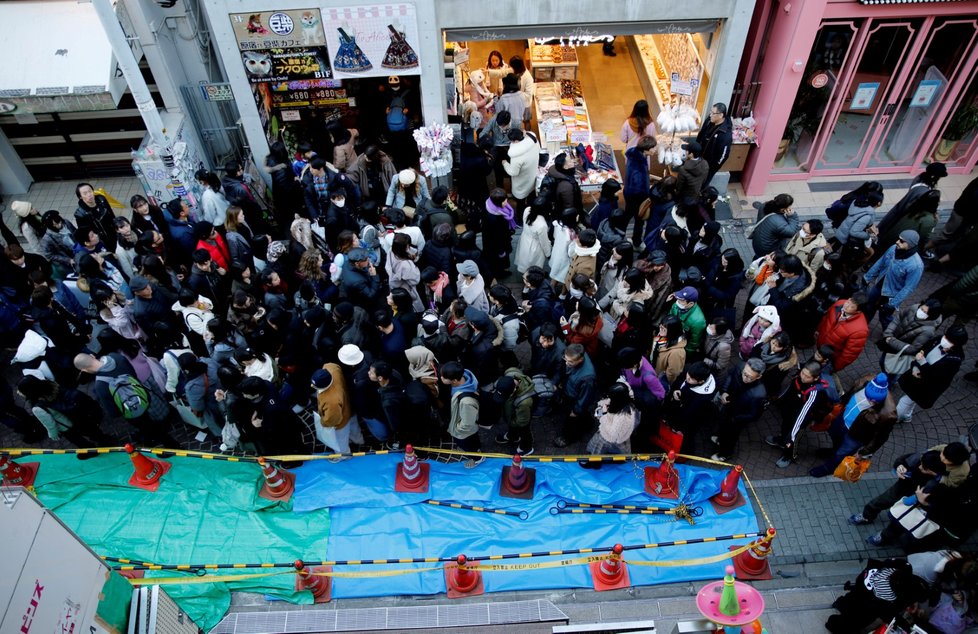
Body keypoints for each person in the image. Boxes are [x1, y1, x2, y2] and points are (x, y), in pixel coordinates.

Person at [74, 351, 178, 448]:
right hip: (142, 394)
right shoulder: (116, 357)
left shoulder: (100, 384)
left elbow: (113, 411)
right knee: (150, 422)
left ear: (84, 370)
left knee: (148, 426)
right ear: (92, 356)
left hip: (130, 409)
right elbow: (133, 374)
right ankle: (151, 436)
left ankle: (171, 445)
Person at [809, 373, 896, 478]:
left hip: (855, 435)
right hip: (842, 419)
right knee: (835, 439)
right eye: (870, 398)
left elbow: (880, 437)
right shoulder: (864, 381)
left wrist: (864, 453)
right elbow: (849, 394)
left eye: (875, 401)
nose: (871, 402)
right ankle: (833, 451)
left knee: (842, 452)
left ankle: (829, 468)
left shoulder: (888, 415)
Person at [16, 375, 115, 449]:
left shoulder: (37, 407)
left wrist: (53, 435)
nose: (19, 393)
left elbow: (49, 423)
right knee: (92, 431)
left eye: (21, 391)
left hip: (66, 424)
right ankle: (106, 441)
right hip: (78, 414)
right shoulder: (49, 384)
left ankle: (91, 450)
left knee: (77, 439)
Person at [765, 360, 831, 468]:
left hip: (803, 418)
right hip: (792, 410)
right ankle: (782, 441)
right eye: (803, 373)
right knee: (785, 427)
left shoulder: (814, 392)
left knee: (794, 439)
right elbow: (788, 391)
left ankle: (790, 456)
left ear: (815, 378)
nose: (803, 377)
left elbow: (803, 415)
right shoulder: (799, 378)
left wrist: (792, 436)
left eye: (807, 376)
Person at [896, 325, 967, 424]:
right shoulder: (937, 340)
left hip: (926, 386)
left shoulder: (954, 361)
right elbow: (922, 351)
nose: (945, 340)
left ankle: (896, 418)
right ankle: (907, 416)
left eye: (949, 340)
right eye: (946, 337)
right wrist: (915, 366)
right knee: (911, 400)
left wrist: (922, 362)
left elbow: (937, 377)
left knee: (905, 401)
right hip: (915, 378)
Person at [862, 229, 924, 327]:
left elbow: (909, 288)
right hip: (879, 286)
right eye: (898, 239)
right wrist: (867, 277)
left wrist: (893, 304)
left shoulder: (916, 265)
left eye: (902, 241)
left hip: (891, 295)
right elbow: (881, 262)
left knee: (885, 317)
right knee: (868, 307)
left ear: (910, 244)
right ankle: (862, 327)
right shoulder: (893, 248)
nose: (897, 242)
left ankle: (888, 336)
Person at [710, 358, 766, 461]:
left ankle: (725, 454)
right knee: (722, 425)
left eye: (750, 377)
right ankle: (720, 439)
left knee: (730, 437)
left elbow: (754, 415)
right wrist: (725, 391)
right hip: (729, 406)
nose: (745, 378)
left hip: (737, 418)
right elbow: (730, 376)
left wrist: (736, 418)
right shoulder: (740, 366)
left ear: (759, 376)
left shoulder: (759, 394)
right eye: (744, 373)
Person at [661, 361, 717, 455]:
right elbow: (678, 382)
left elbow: (689, 415)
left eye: (691, 379)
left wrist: (678, 427)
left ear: (701, 382)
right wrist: (675, 392)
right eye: (688, 375)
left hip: (688, 420)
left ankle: (681, 453)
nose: (687, 378)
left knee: (685, 438)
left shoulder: (703, 398)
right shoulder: (690, 371)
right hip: (678, 405)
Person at [553, 343, 598, 448]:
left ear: (580, 360)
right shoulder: (574, 355)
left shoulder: (588, 377)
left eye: (570, 362)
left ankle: (568, 437)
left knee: (572, 420)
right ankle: (588, 423)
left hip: (576, 398)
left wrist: (576, 411)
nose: (567, 363)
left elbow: (585, 397)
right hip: (571, 391)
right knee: (582, 414)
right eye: (566, 359)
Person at [440, 361, 483, 463]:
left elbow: (467, 424)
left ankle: (477, 458)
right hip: (461, 424)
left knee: (468, 445)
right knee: (464, 443)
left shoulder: (466, 401)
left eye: (444, 377)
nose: (441, 378)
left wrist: (456, 429)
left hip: (465, 433)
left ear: (454, 381)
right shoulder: (464, 376)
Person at [815, 293, 870, 372]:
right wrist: (819, 330)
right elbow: (826, 318)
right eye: (848, 301)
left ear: (858, 311)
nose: (846, 305)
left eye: (852, 306)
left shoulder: (860, 330)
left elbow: (849, 354)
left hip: (830, 358)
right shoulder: (839, 303)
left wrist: (835, 367)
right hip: (821, 346)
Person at [585, 382, 639, 458]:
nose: (608, 398)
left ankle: (594, 462)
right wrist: (601, 412)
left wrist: (603, 416)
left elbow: (613, 435)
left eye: (611, 397)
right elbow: (598, 413)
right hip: (619, 435)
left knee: (597, 451)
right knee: (621, 453)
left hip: (609, 437)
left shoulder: (624, 417)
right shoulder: (625, 403)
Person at [492, 368, 536, 456]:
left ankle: (526, 448)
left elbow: (522, 421)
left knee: (524, 431)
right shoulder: (511, 373)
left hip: (521, 418)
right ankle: (513, 436)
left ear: (513, 391)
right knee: (513, 427)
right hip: (512, 414)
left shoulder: (525, 402)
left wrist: (511, 422)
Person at [623, 136, 657, 245]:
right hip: (637, 198)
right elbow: (638, 184)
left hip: (628, 192)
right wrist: (647, 195)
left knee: (627, 216)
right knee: (639, 220)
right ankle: (636, 242)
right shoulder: (640, 164)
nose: (655, 150)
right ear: (647, 149)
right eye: (653, 147)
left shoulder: (635, 156)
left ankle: (619, 235)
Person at [695, 102, 733, 187]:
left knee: (702, 184)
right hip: (699, 159)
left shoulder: (725, 134)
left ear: (721, 115)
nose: (710, 115)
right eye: (710, 112)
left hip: (708, 166)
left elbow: (723, 155)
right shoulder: (709, 120)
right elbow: (701, 134)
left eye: (713, 113)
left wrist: (712, 168)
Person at [501, 128, 539, 212]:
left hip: (522, 184)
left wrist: (505, 163)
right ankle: (530, 212)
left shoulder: (516, 155)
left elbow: (513, 172)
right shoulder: (532, 139)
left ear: (516, 141)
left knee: (520, 204)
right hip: (532, 177)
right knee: (531, 200)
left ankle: (521, 219)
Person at [482, 187, 516, 279]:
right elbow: (498, 236)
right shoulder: (495, 218)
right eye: (504, 200)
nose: (506, 202)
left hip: (490, 240)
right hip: (497, 245)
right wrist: (502, 250)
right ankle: (499, 274)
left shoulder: (489, 204)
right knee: (498, 261)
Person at [74, 183, 117, 252]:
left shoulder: (101, 200)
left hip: (113, 233)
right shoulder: (80, 214)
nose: (89, 195)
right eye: (85, 193)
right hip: (100, 241)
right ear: (80, 197)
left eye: (90, 191)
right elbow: (86, 233)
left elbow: (111, 215)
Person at [514, 198, 552, 273]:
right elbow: (544, 242)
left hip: (525, 239)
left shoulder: (527, 210)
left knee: (525, 260)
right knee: (534, 264)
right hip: (535, 246)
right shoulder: (542, 225)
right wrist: (548, 253)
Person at [668, 286, 707, 354]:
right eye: (678, 299)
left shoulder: (698, 321)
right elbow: (670, 317)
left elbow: (693, 343)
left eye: (682, 300)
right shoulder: (676, 305)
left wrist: (685, 353)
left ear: (691, 303)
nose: (678, 302)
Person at [651, 315, 688, 386]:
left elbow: (672, 374)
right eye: (660, 327)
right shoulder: (662, 336)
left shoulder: (677, 352)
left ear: (672, 332)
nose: (660, 330)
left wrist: (662, 383)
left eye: (664, 329)